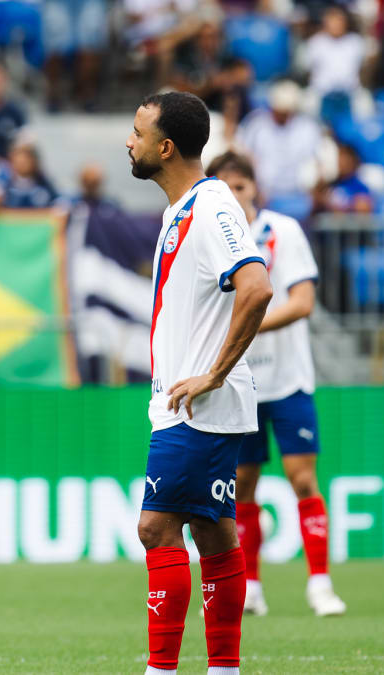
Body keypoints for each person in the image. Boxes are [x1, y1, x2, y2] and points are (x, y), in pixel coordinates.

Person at [126, 91, 273, 675]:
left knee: (156, 527)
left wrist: (214, 370)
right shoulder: (182, 208)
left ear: (165, 147)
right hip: (195, 405)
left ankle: (160, 669)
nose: (128, 142)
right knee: (213, 533)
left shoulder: (211, 204)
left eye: (137, 133)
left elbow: (257, 287)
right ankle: (224, 669)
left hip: (198, 405)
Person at [207, 151, 348, 618]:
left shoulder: (281, 231)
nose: (235, 196)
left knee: (301, 477)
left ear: (255, 189)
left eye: (241, 187)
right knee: (242, 484)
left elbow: (302, 301)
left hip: (287, 380)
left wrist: (246, 325)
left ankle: (320, 584)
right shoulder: (208, 237)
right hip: (238, 380)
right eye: (224, 189)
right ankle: (250, 588)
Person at [235, 79, 323, 204]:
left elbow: (318, 163)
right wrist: (256, 188)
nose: (281, 115)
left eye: (285, 111)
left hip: (300, 194)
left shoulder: (308, 128)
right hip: (264, 194)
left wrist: (314, 192)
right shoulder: (256, 124)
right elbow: (243, 156)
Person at [314, 141, 373, 214]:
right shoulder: (329, 185)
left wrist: (343, 205)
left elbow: (364, 209)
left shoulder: (360, 187)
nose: (342, 163)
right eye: (339, 158)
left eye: (346, 159)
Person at [1, 141, 58, 209]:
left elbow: (57, 200)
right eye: (19, 162)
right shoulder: (4, 184)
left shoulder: (43, 183)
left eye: (25, 161)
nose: (22, 165)